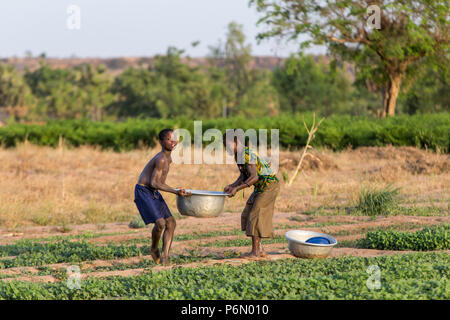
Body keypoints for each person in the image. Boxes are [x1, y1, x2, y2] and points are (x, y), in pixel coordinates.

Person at [134, 128, 190, 265]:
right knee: (160, 223)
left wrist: (176, 189)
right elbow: (154, 182)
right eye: (169, 139)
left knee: (171, 222)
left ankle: (165, 257)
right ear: (161, 141)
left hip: (153, 190)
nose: (173, 142)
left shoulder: (168, 158)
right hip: (144, 191)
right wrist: (175, 191)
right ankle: (153, 249)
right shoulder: (161, 159)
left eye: (175, 139)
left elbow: (158, 183)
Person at [223, 130, 280, 259]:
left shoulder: (247, 155)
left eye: (227, 144)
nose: (226, 148)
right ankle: (259, 250)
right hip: (261, 188)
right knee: (249, 212)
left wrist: (237, 189)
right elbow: (244, 175)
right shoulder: (239, 155)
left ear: (236, 142)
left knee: (255, 215)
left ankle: (255, 252)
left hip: (269, 186)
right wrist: (233, 185)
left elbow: (254, 177)